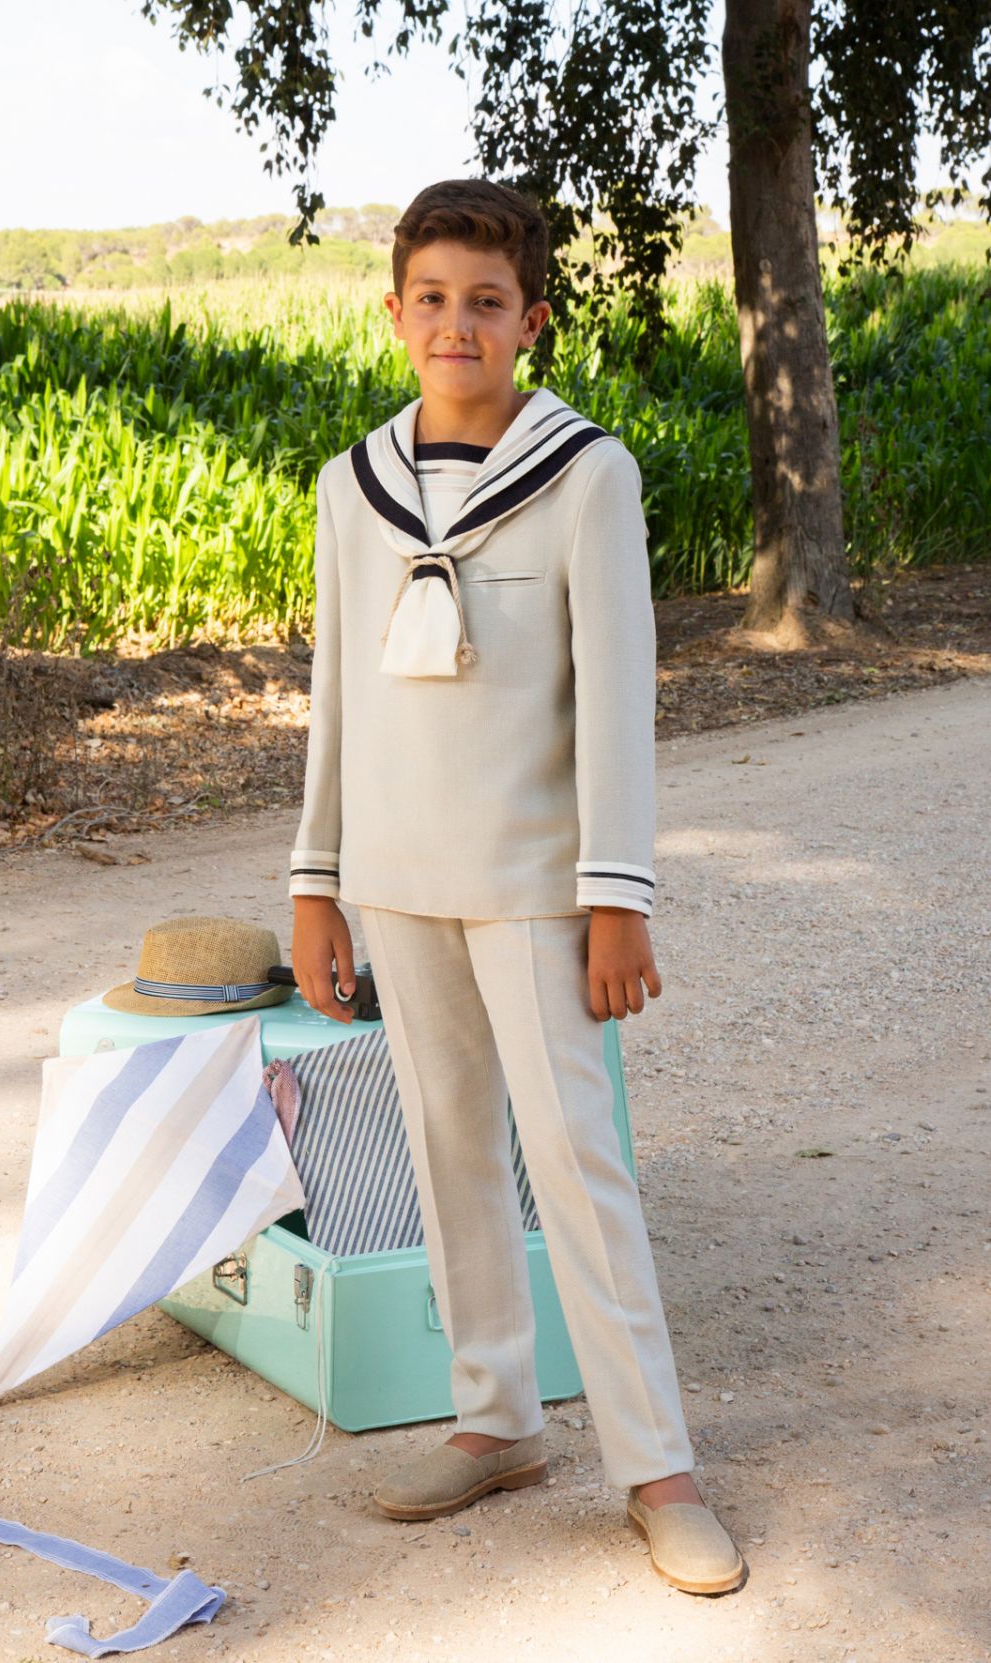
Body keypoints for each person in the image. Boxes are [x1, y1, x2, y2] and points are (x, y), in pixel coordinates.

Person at [288, 177, 744, 1596]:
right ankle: (496, 1419)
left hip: (541, 885)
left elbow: (616, 698)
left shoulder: (587, 473)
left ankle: (656, 1464)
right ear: (395, 313)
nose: (457, 323)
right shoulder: (350, 488)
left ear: (531, 319)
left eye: (487, 302)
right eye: (431, 298)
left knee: (577, 1164)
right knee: (446, 1150)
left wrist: (620, 896)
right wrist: (317, 882)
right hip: (400, 878)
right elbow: (335, 704)